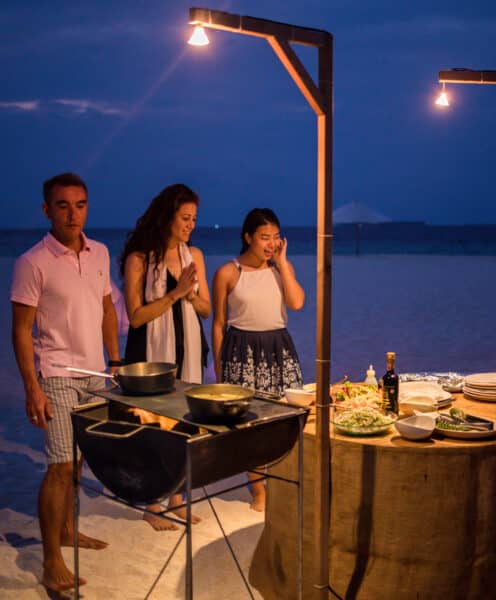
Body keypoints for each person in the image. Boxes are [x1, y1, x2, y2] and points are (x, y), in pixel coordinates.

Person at [10, 172, 120, 593]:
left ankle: (69, 531)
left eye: (80, 204)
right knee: (58, 467)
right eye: (62, 205)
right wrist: (31, 387)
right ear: (46, 210)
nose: (73, 214)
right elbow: (21, 330)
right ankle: (52, 560)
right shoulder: (31, 262)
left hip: (96, 375)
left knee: (77, 463)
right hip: (56, 375)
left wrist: (116, 360)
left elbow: (108, 308)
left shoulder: (100, 253)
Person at [120, 183, 210, 530]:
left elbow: (205, 310)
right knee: (155, 423)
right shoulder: (140, 258)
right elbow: (136, 316)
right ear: (166, 217)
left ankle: (177, 499)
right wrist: (176, 293)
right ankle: (152, 504)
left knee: (185, 423)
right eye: (185, 218)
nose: (190, 225)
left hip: (188, 349)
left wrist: (190, 295)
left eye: (194, 219)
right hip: (151, 355)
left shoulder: (194, 256)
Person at [212, 208, 304, 511]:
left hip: (279, 348)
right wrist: (219, 368)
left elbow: (297, 302)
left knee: (284, 419)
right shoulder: (229, 272)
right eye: (264, 237)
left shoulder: (280, 269)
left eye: (276, 237)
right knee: (250, 425)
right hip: (243, 351)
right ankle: (259, 492)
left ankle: (280, 482)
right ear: (248, 236)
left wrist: (283, 263)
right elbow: (218, 324)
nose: (271, 243)